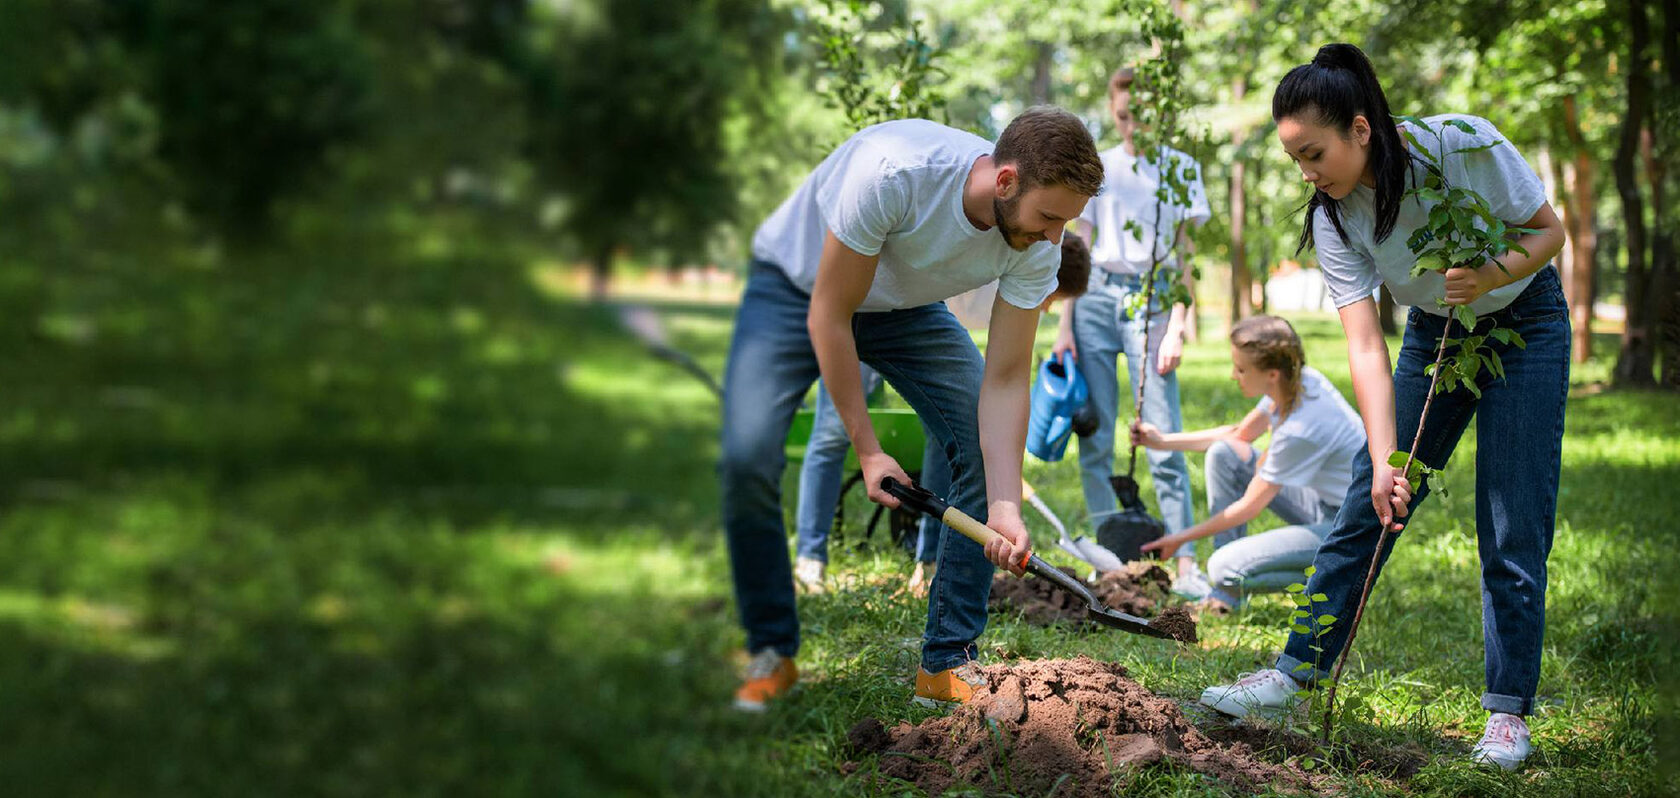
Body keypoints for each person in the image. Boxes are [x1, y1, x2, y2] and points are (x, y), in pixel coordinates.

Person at [1196, 44, 1568, 772]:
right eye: (1296, 160)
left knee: (1511, 517)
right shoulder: (1334, 219)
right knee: (1368, 506)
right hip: (1434, 336)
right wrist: (1385, 457)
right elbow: (1365, 344)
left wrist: (1489, 273)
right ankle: (1294, 672)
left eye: (1315, 153)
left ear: (1360, 131)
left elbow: (1547, 232)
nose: (1309, 173)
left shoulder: (1461, 145)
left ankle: (1507, 715)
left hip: (1526, 327)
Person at [720, 109, 1103, 712]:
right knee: (746, 461)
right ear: (1004, 182)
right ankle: (772, 648)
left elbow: (1003, 379)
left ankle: (948, 661)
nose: (1055, 237)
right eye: (1049, 218)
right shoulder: (896, 173)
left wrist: (1004, 502)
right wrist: (869, 450)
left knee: (978, 443)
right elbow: (829, 314)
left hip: (901, 306)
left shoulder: (1036, 245)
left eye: (1066, 222)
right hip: (797, 288)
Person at [792, 237, 1092, 598]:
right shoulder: (989, 263)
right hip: (868, 303)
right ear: (1048, 277)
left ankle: (929, 559)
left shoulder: (1016, 291)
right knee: (833, 428)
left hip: (919, 323)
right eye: (1053, 299)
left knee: (942, 433)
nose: (1046, 310)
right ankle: (810, 557)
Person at [1055, 66, 1212, 598]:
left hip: (1156, 294)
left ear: (1159, 110)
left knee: (1161, 432)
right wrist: (1065, 327)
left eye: (1141, 113)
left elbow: (1186, 257)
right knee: (1096, 432)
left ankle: (1185, 558)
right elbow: (1077, 246)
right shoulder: (1100, 169)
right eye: (1123, 114)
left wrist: (1179, 326)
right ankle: (1107, 557)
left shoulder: (1180, 170)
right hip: (1096, 292)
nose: (1131, 124)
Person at [1133, 316, 1365, 614]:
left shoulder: (1300, 430)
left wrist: (1178, 538)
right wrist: (1161, 441)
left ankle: (1346, 580)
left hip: (1349, 529)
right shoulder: (1300, 380)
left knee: (1222, 566)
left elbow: (1248, 507)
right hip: (1322, 502)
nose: (1234, 375)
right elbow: (1238, 435)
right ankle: (1224, 597)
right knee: (1224, 454)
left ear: (1271, 374)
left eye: (1241, 369)